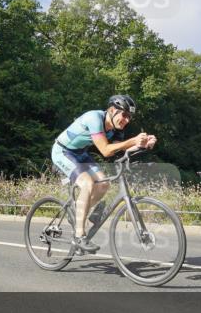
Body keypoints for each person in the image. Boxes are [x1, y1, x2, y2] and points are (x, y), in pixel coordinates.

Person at [51, 95, 156, 253]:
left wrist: (143, 145)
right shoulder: (93, 118)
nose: (127, 120)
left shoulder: (115, 128)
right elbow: (106, 151)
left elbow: (119, 149)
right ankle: (79, 235)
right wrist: (134, 140)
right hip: (62, 152)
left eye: (130, 117)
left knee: (104, 183)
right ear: (112, 110)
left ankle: (78, 214)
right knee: (87, 183)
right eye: (124, 115)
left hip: (80, 154)